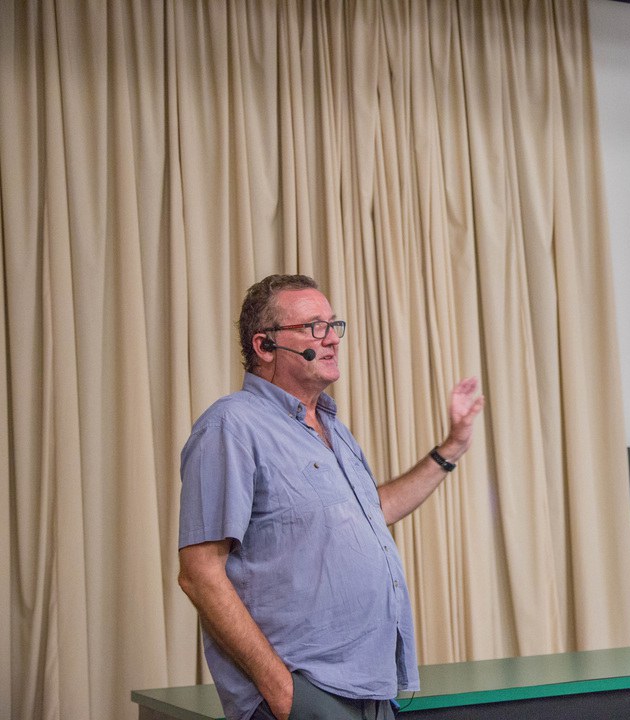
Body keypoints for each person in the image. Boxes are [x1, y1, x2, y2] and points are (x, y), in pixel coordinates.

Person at [178, 274, 484, 720]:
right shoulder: (232, 426)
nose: (331, 339)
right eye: (312, 327)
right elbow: (199, 573)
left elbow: (370, 513)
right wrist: (282, 693)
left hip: (369, 690)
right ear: (264, 347)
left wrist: (451, 448)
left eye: (332, 325)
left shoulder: (333, 428)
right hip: (303, 693)